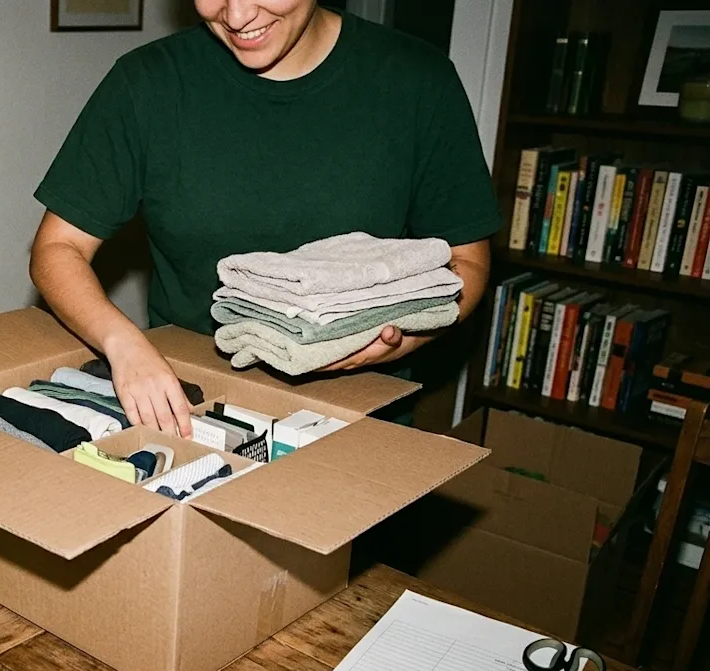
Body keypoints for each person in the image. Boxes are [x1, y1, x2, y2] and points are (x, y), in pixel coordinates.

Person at [29, 0, 501, 438]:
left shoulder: (418, 80)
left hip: (359, 413)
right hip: (194, 404)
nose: (236, 15)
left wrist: (404, 342)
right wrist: (124, 346)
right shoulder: (147, 83)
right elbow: (58, 248)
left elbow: (468, 262)